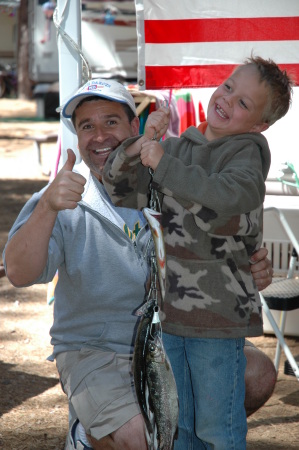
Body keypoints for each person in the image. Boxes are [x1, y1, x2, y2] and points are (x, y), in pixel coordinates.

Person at [3, 77, 274, 450]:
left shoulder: (167, 175)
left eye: (111, 122)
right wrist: (49, 205)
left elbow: (222, 230)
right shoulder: (61, 195)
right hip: (94, 350)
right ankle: (88, 435)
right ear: (77, 137)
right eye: (87, 126)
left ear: (135, 128)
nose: (99, 136)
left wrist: (252, 265)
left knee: (258, 374)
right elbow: (18, 273)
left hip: (173, 337)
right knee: (143, 437)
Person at [102, 57, 293, 449]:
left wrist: (164, 165)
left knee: (217, 430)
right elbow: (119, 188)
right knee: (180, 429)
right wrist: (142, 143)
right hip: (170, 318)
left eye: (243, 103)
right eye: (227, 87)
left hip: (216, 323)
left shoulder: (246, 155)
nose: (227, 100)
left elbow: (225, 199)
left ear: (260, 125)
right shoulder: (176, 149)